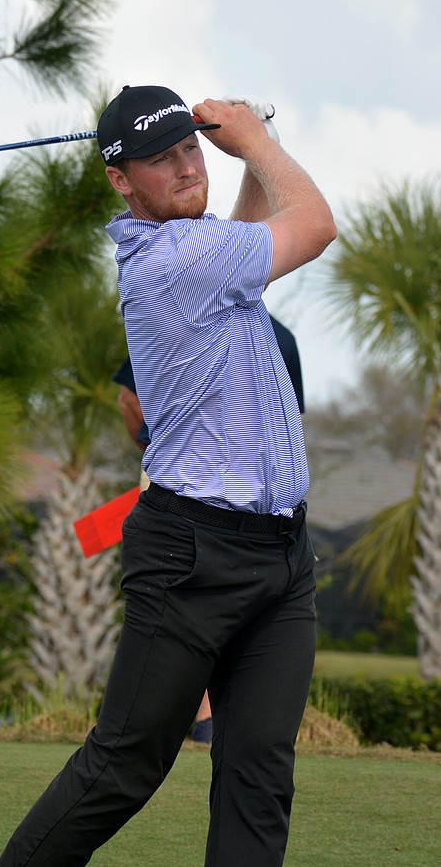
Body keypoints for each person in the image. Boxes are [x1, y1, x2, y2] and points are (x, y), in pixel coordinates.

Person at [0, 85, 335, 867]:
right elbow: (313, 223)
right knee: (125, 768)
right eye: (162, 159)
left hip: (280, 558)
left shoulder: (203, 254)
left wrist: (229, 158)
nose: (187, 167)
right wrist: (257, 141)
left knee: (257, 775)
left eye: (191, 150)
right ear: (120, 180)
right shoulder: (164, 265)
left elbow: (248, 238)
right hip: (190, 553)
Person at [111, 315, 306, 745]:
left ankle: (195, 718)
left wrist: (159, 447)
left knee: (188, 608)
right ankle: (191, 719)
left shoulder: (186, 319)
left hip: (208, 499)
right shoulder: (196, 318)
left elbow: (130, 400)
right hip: (223, 503)